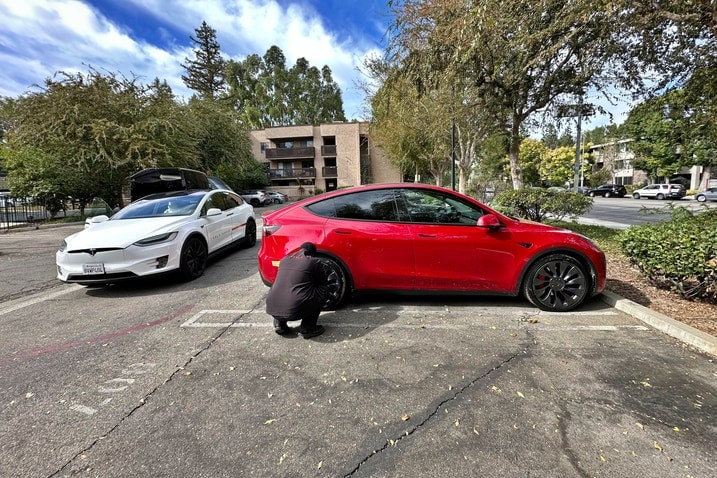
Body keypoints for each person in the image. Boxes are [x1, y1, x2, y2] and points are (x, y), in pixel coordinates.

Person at [265, 242, 331, 339]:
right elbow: (323, 282)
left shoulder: (284, 260)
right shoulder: (313, 262)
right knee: (323, 290)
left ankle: (279, 324)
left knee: (281, 288)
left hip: (272, 307)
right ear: (312, 253)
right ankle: (308, 328)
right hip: (295, 309)